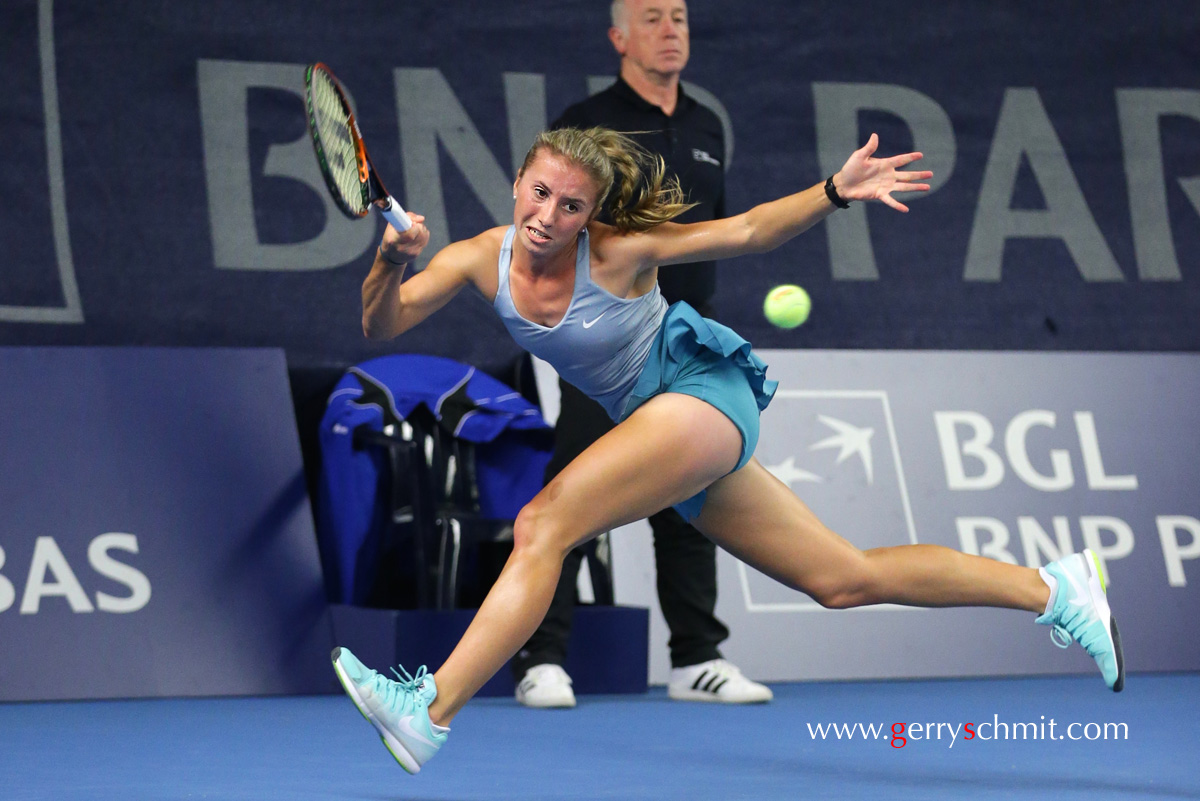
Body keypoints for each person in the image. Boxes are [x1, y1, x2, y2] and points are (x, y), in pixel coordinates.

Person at [330, 126, 1125, 775]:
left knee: (546, 522)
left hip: (701, 393)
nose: (549, 215)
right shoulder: (479, 257)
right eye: (540, 192)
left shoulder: (617, 253)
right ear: (517, 184)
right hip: (657, 424)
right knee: (842, 578)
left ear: (592, 215)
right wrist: (390, 260)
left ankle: (429, 710)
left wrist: (833, 192)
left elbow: (743, 232)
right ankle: (1056, 590)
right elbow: (382, 324)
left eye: (572, 205)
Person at [511, 0, 771, 709]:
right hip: (609, 341)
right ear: (618, 38)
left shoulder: (708, 124)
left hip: (689, 345)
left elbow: (724, 228)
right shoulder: (586, 122)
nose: (670, 30)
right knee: (571, 497)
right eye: (652, 18)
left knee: (694, 499)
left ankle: (697, 658)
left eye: (680, 17)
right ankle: (543, 657)